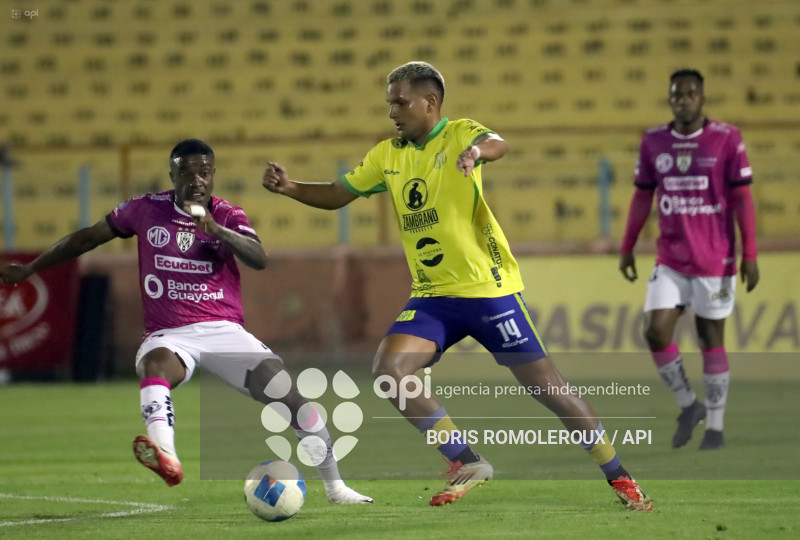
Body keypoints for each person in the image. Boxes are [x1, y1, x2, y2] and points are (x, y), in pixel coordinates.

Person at [262, 61, 652, 511]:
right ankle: (466, 461)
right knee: (390, 373)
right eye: (389, 103)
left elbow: (497, 143)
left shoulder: (459, 133)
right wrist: (291, 187)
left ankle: (620, 477)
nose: (392, 112)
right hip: (433, 297)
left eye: (400, 102)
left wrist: (478, 155)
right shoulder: (388, 155)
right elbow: (338, 193)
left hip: (488, 292)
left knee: (552, 391)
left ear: (430, 104)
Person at [0, 139, 372, 504]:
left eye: (205, 172)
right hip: (170, 333)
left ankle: (337, 489)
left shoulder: (228, 214)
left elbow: (259, 258)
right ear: (172, 175)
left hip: (224, 330)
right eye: (187, 172)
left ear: (213, 175)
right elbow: (88, 238)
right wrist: (33, 267)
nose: (197, 180)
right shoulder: (145, 209)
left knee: (290, 398)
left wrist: (218, 231)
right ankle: (168, 457)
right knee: (154, 365)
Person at [619, 69, 759, 451]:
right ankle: (689, 405)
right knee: (654, 332)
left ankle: (714, 427)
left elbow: (743, 199)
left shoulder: (727, 139)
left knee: (710, 339)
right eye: (677, 95)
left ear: (702, 98)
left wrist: (751, 253)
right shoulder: (653, 142)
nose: (683, 100)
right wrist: (627, 245)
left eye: (690, 94)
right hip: (670, 257)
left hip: (716, 258)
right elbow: (642, 197)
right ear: (670, 99)